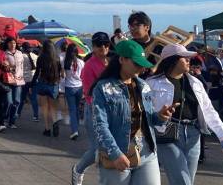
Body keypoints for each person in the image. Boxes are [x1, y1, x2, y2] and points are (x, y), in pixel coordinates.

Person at [147, 44, 223, 185]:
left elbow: (209, 111)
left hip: (194, 133)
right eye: (184, 57)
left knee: (188, 179)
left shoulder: (196, 83)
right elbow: (145, 113)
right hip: (167, 134)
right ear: (172, 60)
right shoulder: (152, 83)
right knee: (182, 180)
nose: (189, 60)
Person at [91, 40, 176, 185]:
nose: (141, 69)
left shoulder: (143, 86)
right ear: (122, 59)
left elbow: (149, 119)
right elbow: (100, 124)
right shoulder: (103, 88)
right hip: (118, 153)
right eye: (137, 64)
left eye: (143, 64)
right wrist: (115, 153)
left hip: (147, 152)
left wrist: (161, 117)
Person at [71, 32, 110, 185]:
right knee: (96, 149)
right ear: (93, 47)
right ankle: (78, 169)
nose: (103, 48)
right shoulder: (89, 66)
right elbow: (88, 93)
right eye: (99, 45)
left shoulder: (113, 61)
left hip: (113, 111)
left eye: (106, 44)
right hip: (94, 110)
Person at [33, 40, 62, 137]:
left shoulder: (40, 58)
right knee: (52, 107)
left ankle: (47, 128)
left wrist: (32, 83)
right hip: (53, 84)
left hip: (43, 83)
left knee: (45, 107)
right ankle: (55, 121)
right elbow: (60, 73)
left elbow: (37, 73)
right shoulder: (57, 58)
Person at [62, 43, 85, 140]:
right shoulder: (81, 62)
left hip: (69, 87)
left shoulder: (65, 62)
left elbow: (63, 76)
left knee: (72, 109)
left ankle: (74, 130)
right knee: (76, 108)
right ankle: (76, 127)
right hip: (79, 87)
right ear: (76, 51)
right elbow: (83, 76)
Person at [4, 38, 26, 128]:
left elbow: (22, 66)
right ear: (7, 44)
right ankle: (5, 117)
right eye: (10, 43)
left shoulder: (20, 53)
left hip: (18, 80)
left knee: (17, 101)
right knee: (9, 102)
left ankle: (12, 121)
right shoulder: (4, 53)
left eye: (14, 43)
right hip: (8, 80)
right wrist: (7, 66)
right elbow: (3, 65)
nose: (13, 45)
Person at [17, 43, 39, 122]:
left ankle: (18, 113)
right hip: (34, 80)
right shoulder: (36, 56)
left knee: (22, 98)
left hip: (24, 80)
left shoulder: (21, 57)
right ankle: (36, 116)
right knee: (34, 98)